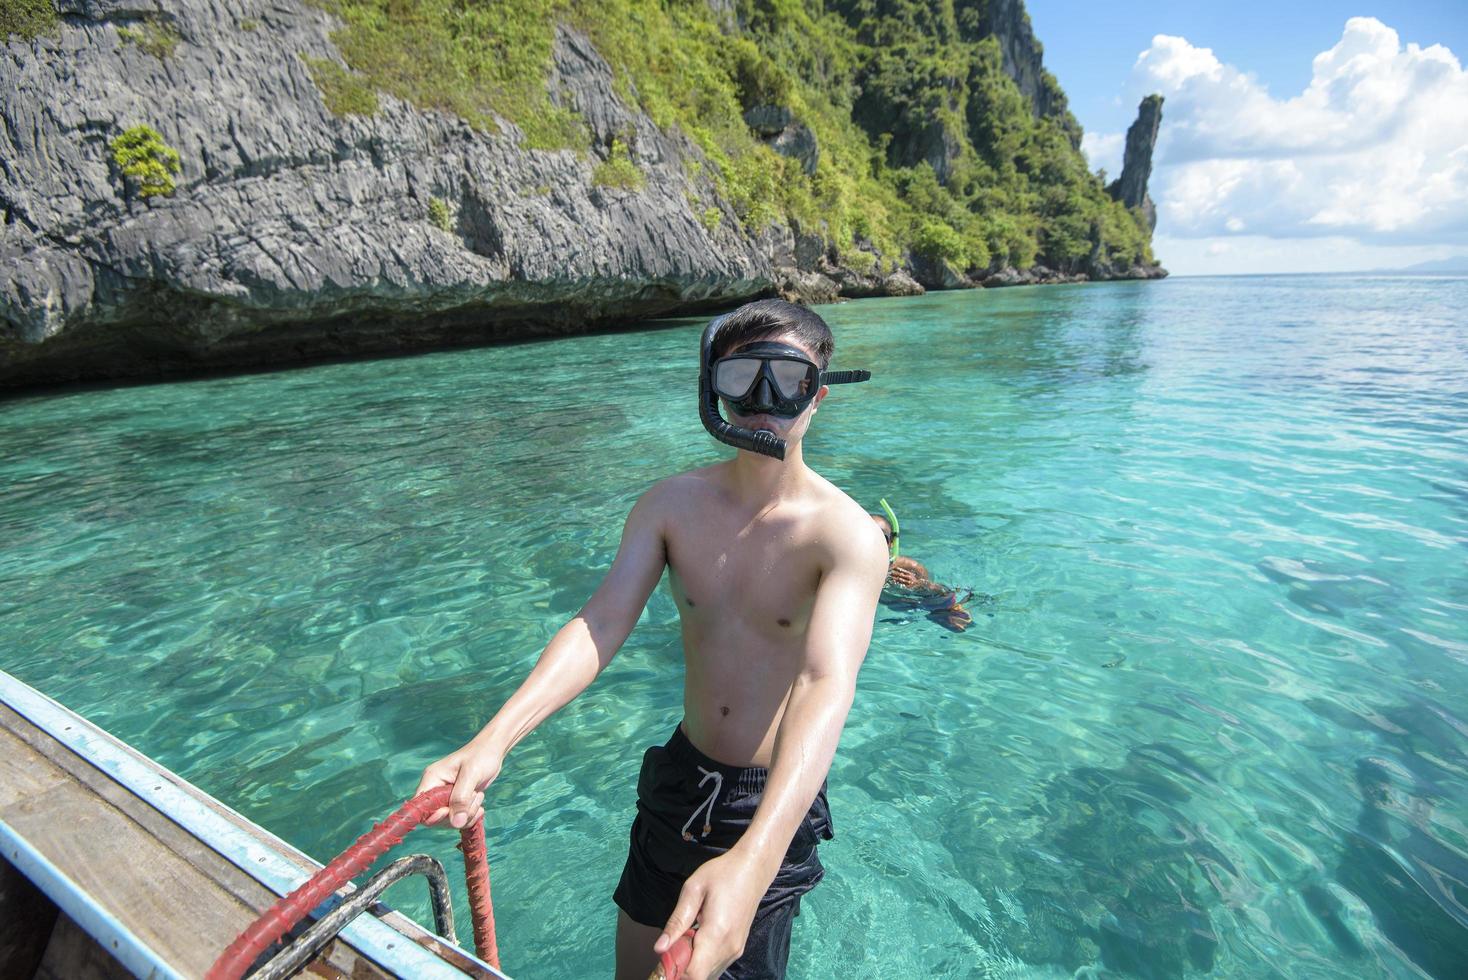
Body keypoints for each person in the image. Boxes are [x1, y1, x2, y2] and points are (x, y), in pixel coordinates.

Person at [415, 299, 887, 980]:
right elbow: (601, 622)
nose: (761, 403)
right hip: (678, 780)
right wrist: (491, 742)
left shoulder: (844, 535)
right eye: (739, 378)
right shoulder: (670, 505)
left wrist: (755, 859)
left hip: (771, 798)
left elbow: (824, 682)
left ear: (820, 392)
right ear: (710, 384)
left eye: (786, 380)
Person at [869, 511, 973, 632]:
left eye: (880, 537)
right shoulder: (847, 565)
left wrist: (919, 585)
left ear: (891, 543)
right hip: (888, 604)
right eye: (866, 535)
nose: (872, 541)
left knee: (954, 624)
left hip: (911, 606)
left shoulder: (910, 567)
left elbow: (936, 594)